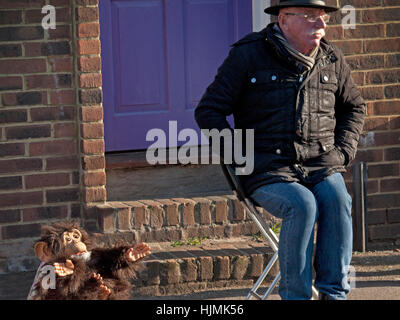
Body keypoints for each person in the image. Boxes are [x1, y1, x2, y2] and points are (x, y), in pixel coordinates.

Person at [195, 0, 366, 300]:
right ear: (284, 20)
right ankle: (296, 297)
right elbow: (208, 111)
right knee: (302, 205)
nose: (322, 25)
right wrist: (241, 157)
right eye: (311, 17)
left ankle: (333, 294)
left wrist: (342, 153)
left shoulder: (332, 58)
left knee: (338, 199)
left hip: (321, 163)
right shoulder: (248, 54)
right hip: (269, 169)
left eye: (323, 17)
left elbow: (354, 107)